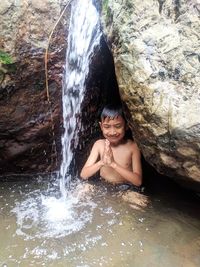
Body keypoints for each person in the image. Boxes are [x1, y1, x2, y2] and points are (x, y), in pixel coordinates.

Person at [80, 104, 143, 190]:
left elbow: (138, 181)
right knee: (83, 189)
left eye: (118, 126)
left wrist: (113, 164)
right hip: (103, 186)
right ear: (101, 126)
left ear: (127, 126)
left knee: (138, 200)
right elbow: (84, 174)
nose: (112, 132)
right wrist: (102, 162)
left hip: (126, 188)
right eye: (107, 127)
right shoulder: (99, 144)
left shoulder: (132, 147)